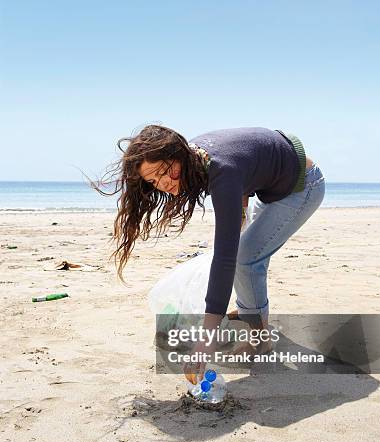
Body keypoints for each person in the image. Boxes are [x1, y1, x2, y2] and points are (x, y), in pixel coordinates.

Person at [92, 124, 325, 383]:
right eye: (153, 181)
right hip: (270, 176)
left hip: (302, 186)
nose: (164, 183)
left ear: (177, 154)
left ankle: (260, 338)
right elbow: (246, 160)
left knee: (244, 259)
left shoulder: (221, 170)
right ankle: (252, 312)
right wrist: (240, 208)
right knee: (246, 253)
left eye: (164, 172)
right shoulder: (197, 158)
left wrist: (204, 344)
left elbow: (225, 258)